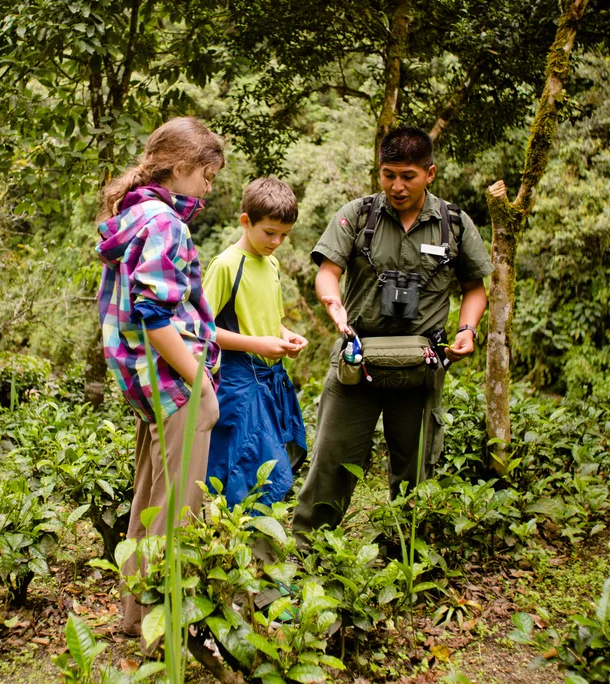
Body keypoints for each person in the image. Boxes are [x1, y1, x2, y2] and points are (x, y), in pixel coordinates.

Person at [292, 126, 493, 543]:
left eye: (408, 176)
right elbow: (328, 272)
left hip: (420, 367)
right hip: (357, 361)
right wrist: (332, 303)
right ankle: (308, 548)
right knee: (332, 460)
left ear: (430, 173)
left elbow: (475, 288)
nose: (397, 186)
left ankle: (405, 554)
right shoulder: (358, 214)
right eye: (388, 175)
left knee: (415, 467)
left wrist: (467, 331)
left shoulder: (454, 223)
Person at [95, 116, 225, 638]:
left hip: (148, 385)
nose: (208, 189)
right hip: (175, 384)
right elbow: (154, 317)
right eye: (207, 177)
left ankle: (134, 620)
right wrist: (201, 383)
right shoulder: (166, 222)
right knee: (178, 512)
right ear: (182, 168)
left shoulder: (135, 214)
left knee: (151, 502)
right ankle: (165, 634)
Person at [202, 177, 309, 506]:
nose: (277, 242)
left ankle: (260, 551)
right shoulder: (225, 265)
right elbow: (201, 330)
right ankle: (244, 551)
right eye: (270, 232)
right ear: (245, 222)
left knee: (270, 465)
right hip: (238, 382)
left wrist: (284, 335)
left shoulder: (272, 264)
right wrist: (256, 344)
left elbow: (272, 320)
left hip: (270, 380)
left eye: (284, 235)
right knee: (247, 469)